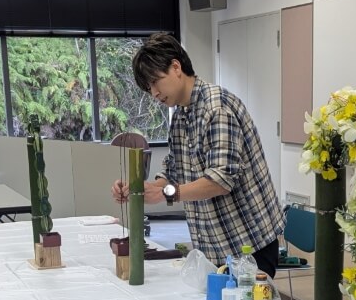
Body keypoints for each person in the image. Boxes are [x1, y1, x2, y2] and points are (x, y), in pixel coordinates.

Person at [111, 33, 284, 278]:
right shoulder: (180, 116)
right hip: (214, 245)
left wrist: (166, 193)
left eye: (156, 82)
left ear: (176, 67)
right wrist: (139, 190)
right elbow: (173, 171)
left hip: (249, 243)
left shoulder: (217, 108)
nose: (155, 93)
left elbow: (220, 180)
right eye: (149, 88)